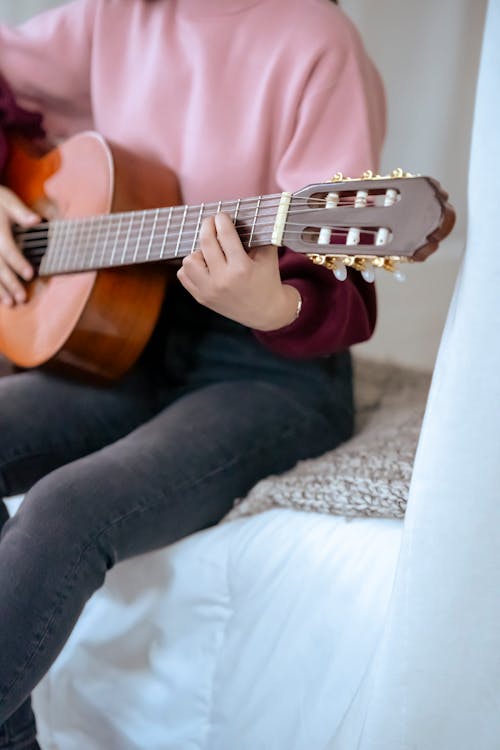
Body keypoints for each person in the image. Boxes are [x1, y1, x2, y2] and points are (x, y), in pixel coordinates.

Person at [0, 0, 386, 747]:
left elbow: (349, 287)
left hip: (268, 366)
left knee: (62, 513)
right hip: (123, 334)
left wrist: (273, 304)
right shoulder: (114, 14)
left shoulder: (314, 38)